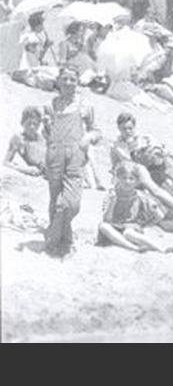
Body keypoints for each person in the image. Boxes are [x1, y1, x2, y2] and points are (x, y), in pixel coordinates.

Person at [41, 66, 102, 257]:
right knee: (55, 201)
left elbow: (97, 132)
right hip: (54, 155)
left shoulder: (85, 106)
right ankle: (60, 243)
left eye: (72, 80)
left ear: (77, 83)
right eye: (65, 79)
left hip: (75, 156)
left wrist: (87, 138)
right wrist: (46, 128)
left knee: (72, 204)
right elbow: (46, 135)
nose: (68, 83)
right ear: (58, 81)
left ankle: (54, 234)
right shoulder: (50, 106)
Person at [96, 162, 173, 253]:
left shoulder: (140, 196)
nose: (127, 181)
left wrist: (143, 225)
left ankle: (161, 249)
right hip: (113, 228)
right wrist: (113, 202)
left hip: (130, 228)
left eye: (131, 179)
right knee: (103, 226)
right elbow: (107, 219)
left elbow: (158, 214)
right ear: (118, 178)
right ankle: (134, 248)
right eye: (124, 178)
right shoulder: (112, 194)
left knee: (128, 233)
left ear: (136, 181)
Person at [4, 106, 47, 178]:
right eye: (29, 123)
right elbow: (6, 162)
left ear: (39, 124)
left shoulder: (42, 138)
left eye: (35, 124)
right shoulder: (18, 139)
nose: (32, 127)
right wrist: (25, 169)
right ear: (22, 123)